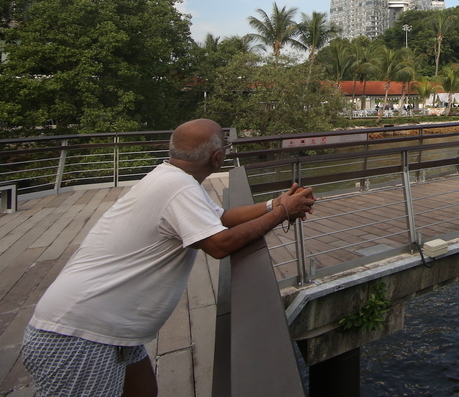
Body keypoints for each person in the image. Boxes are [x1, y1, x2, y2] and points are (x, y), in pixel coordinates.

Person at [21, 118, 315, 397]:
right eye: (225, 146)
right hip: (79, 334)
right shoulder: (177, 187)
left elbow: (222, 218)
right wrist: (283, 213)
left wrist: (273, 204)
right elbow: (219, 244)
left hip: (111, 330)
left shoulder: (173, 178)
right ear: (216, 157)